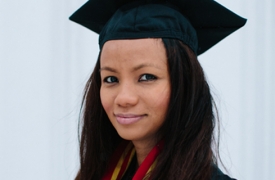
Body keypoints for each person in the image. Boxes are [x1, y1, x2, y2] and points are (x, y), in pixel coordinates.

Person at [69, 0, 246, 179]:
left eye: (147, 77)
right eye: (111, 79)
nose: (123, 98)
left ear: (185, 83)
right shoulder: (96, 173)